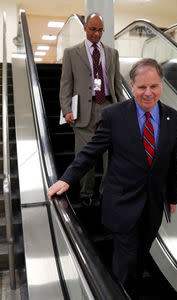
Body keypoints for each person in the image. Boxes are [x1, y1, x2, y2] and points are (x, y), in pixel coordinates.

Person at [49, 58, 177, 295]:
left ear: (161, 85)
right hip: (122, 204)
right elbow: (91, 151)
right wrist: (66, 178)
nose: (148, 93)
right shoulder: (114, 115)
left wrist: (172, 197)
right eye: (142, 87)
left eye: (154, 86)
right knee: (125, 259)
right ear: (132, 86)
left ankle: (132, 290)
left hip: (152, 205)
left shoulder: (173, 118)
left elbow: (173, 161)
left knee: (141, 256)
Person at [59, 12, 124, 205]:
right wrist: (66, 109)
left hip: (109, 108)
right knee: (85, 156)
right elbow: (66, 84)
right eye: (93, 29)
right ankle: (86, 194)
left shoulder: (112, 53)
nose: (96, 34)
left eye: (100, 30)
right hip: (84, 111)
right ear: (85, 28)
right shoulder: (72, 53)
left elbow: (117, 83)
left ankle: (106, 193)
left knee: (111, 157)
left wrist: (122, 108)